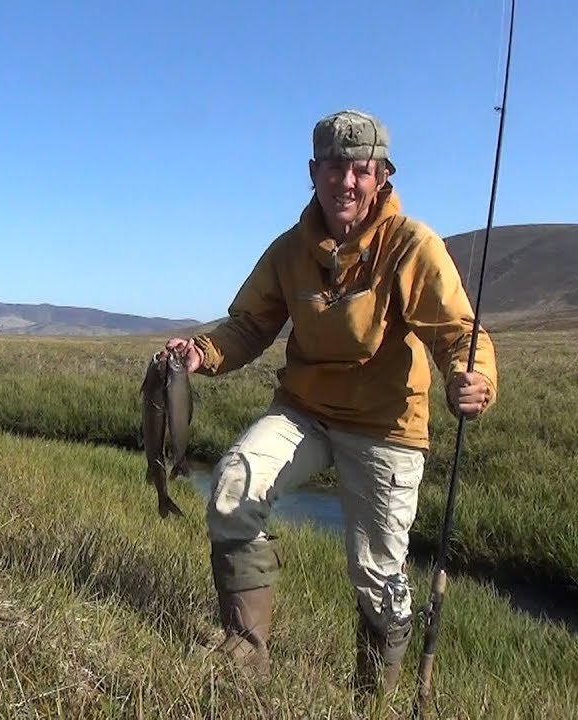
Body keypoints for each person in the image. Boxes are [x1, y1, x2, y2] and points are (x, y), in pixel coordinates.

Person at [163, 109, 498, 697]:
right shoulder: (290, 249)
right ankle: (244, 658)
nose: (347, 181)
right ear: (312, 172)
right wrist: (201, 353)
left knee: (379, 575)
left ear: (382, 176)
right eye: (335, 167)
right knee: (232, 487)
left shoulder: (411, 245)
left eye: (361, 170)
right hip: (305, 410)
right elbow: (250, 324)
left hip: (386, 425)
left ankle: (373, 698)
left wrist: (472, 378)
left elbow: (457, 332)